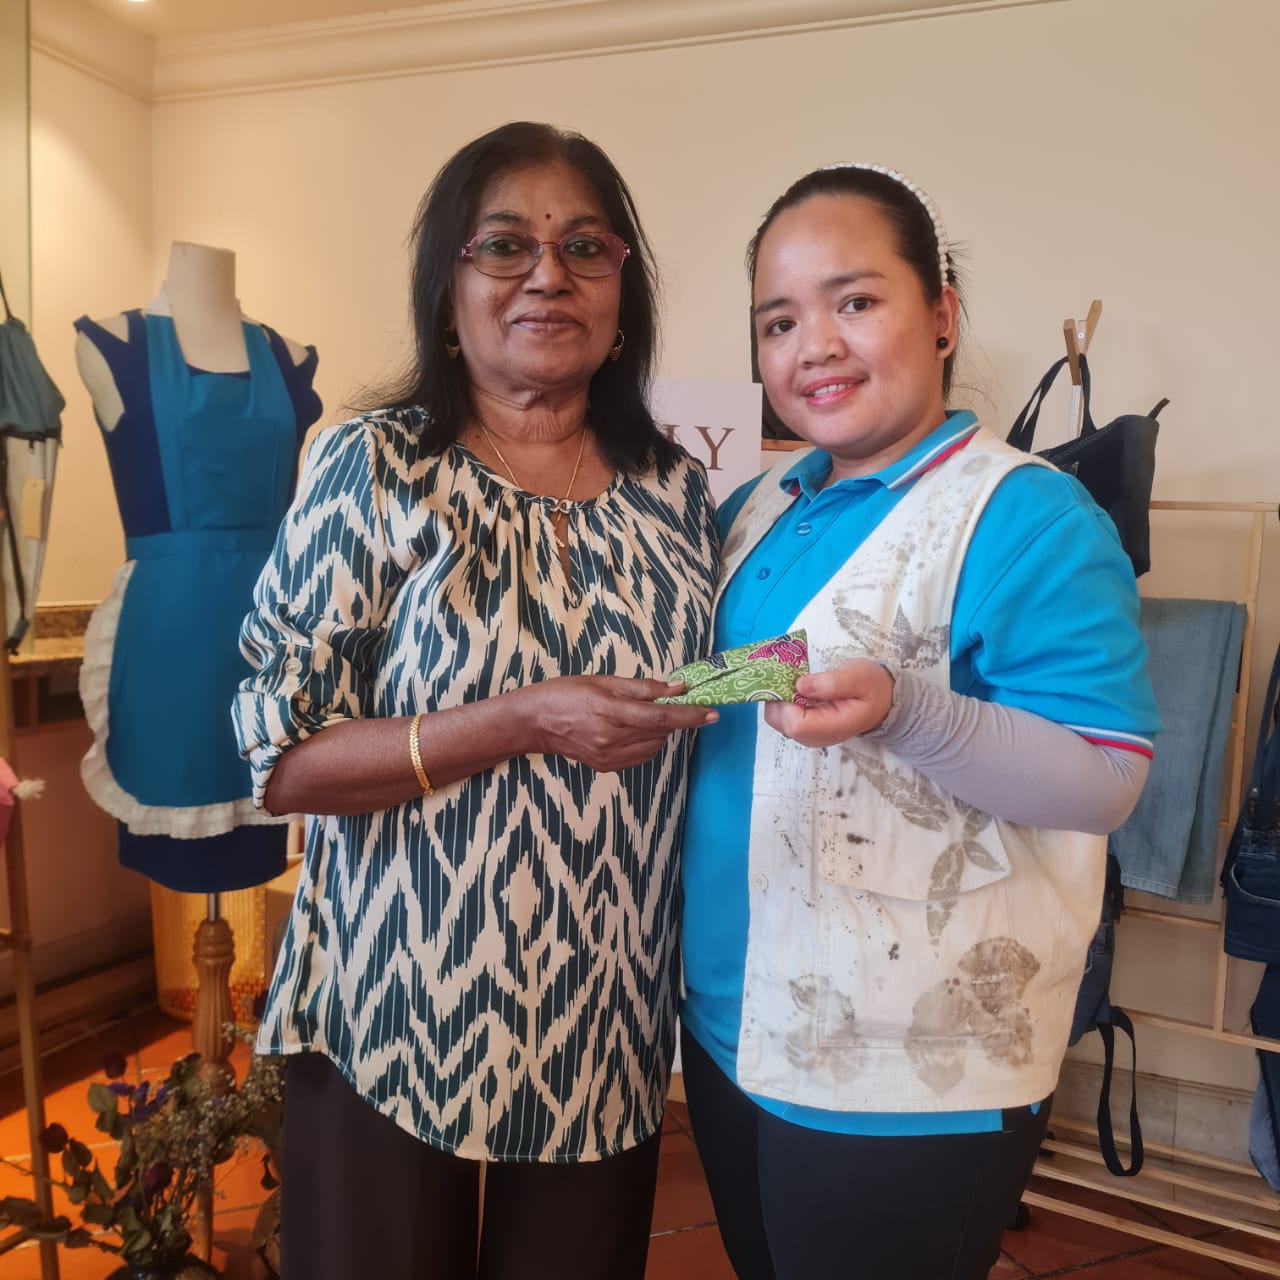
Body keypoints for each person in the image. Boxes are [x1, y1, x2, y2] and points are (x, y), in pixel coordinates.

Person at [233, 122, 718, 1280]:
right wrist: (520, 719)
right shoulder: (373, 465)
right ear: (446, 294)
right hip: (395, 1009)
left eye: (584, 247)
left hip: (602, 1020)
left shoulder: (677, 493)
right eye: (503, 244)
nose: (548, 273)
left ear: (621, 294)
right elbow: (283, 760)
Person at [677, 163, 1160, 1280]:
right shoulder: (762, 505)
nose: (813, 347)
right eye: (778, 321)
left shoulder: (1025, 515)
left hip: (908, 1067)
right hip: (731, 1024)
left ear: (940, 313)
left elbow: (1105, 778)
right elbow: (764, 676)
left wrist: (906, 712)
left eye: (854, 301)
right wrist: (659, 697)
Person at [74, 241, 320, 891]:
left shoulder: (289, 357)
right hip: (168, 645)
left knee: (268, 797)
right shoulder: (112, 345)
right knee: (170, 791)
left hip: (268, 641)